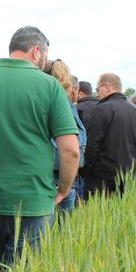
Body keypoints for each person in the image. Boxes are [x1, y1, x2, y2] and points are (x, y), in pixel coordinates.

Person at [0, 26, 79, 264]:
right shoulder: (50, 87)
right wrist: (63, 189)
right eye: (46, 57)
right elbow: (70, 149)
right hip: (33, 200)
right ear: (37, 51)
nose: (45, 62)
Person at [82, 73, 136, 199]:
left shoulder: (101, 109)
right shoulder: (135, 111)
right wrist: (134, 164)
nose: (96, 94)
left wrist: (86, 171)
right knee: (118, 215)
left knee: (97, 216)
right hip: (128, 177)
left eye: (98, 89)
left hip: (101, 178)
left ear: (107, 87)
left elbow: (92, 146)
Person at [44, 59, 86, 215]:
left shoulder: (47, 103)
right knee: (61, 233)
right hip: (66, 179)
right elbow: (74, 149)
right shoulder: (67, 105)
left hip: (52, 179)